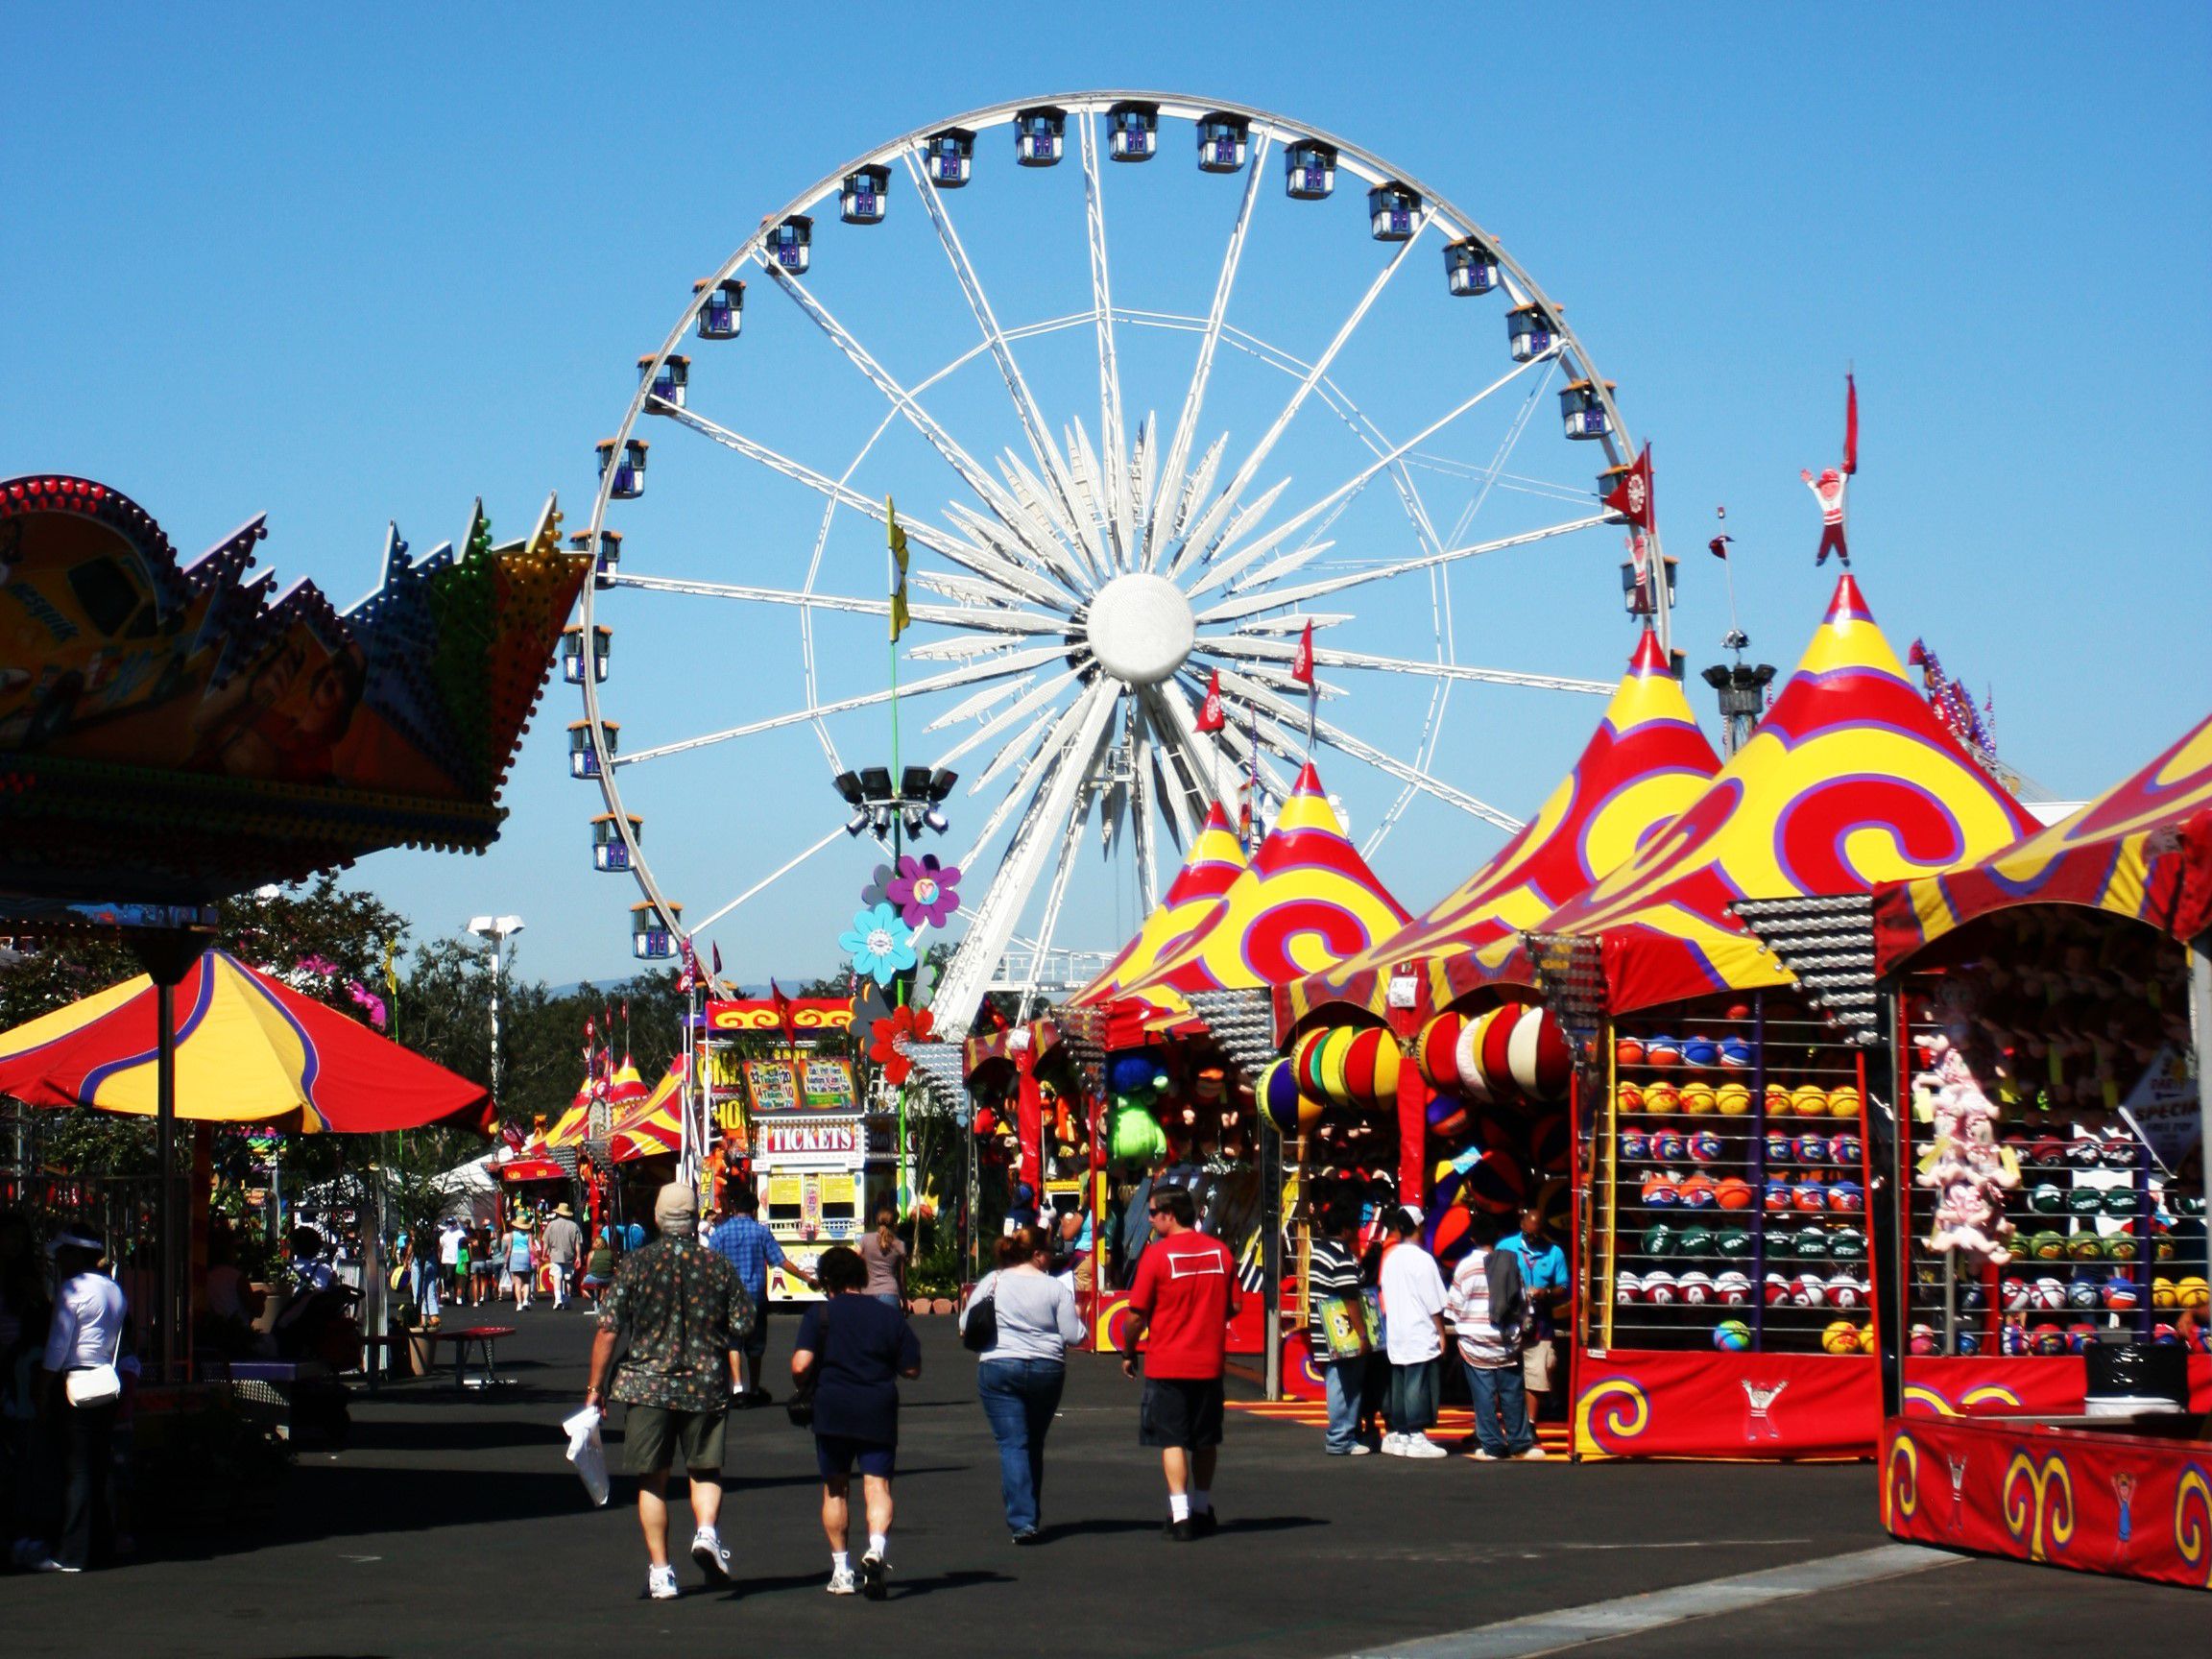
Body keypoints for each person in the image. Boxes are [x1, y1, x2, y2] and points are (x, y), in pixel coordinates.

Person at [584, 1182, 755, 1600]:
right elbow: (744, 1322)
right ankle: (707, 1532)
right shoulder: (716, 1265)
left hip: (647, 1385)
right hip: (704, 1383)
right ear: (694, 1219)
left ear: (657, 1219)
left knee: (653, 1479)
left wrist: (595, 1388)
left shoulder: (636, 1265)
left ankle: (661, 1572)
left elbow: (608, 1329)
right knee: (705, 1470)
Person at [792, 1244, 921, 1598]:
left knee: (836, 1488)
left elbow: (800, 1365)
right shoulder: (887, 1315)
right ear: (861, 1277)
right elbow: (912, 1368)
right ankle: (876, 1549)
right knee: (877, 1485)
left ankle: (841, 1571)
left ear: (826, 1281)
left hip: (832, 1407)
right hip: (877, 1406)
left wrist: (805, 1382)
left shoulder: (820, 1315)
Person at [1119, 1185, 1238, 1541]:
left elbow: (1135, 1316)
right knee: (1205, 1439)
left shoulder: (1157, 1255)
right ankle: (1201, 1507)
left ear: (1169, 1215)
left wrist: (1129, 1351)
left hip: (1167, 1363)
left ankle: (1181, 1514)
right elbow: (1234, 1305)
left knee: (1172, 1440)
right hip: (1208, 1362)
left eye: (1153, 1213)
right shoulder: (1220, 1252)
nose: (1150, 1219)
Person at [962, 1226, 1085, 1543]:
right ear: (1038, 1255)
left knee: (1013, 1443)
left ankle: (1023, 1520)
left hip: (999, 1364)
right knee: (1033, 1441)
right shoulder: (1055, 1288)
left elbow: (965, 1324)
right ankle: (1029, 1513)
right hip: (1046, 1368)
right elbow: (1074, 1335)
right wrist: (1079, 1315)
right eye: (1050, 1253)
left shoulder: (993, 1280)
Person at [32, 1227, 128, 1573]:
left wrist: (43, 1386)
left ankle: (72, 1553)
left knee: (78, 1470)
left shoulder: (72, 1290)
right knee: (100, 1465)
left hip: (75, 1381)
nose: (59, 1260)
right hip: (106, 1380)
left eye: (64, 1253)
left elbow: (58, 1345)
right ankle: (102, 1545)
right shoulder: (114, 1289)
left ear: (76, 1255)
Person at [708, 1184, 816, 1404]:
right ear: (755, 1210)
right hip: (755, 1295)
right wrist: (807, 1278)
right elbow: (781, 1261)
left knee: (733, 1343)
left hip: (729, 1296)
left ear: (735, 1209)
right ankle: (755, 1389)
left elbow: (709, 1264)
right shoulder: (761, 1232)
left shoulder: (720, 1233)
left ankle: (738, 1388)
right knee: (755, 1344)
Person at [1446, 1211, 1541, 1460]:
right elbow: (1523, 1304)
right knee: (1512, 1393)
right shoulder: (1510, 1263)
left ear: (1472, 1239)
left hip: (1475, 1344)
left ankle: (1492, 1445)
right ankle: (1520, 1442)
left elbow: (1454, 1308)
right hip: (1506, 1343)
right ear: (1497, 1236)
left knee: (1484, 1396)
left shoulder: (1464, 1267)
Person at [1377, 1208, 1449, 1458]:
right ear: (1419, 1227)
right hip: (1419, 1330)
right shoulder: (1423, 1259)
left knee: (1399, 1382)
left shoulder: (1391, 1258)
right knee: (1419, 1383)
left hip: (1396, 1330)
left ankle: (1401, 1434)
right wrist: (1441, 1332)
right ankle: (1417, 1435)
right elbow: (1435, 1302)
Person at [1305, 1200, 1372, 1455]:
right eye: (1355, 1227)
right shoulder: (1341, 1255)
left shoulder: (1320, 1251)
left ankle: (1343, 1436)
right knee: (1344, 1383)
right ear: (1345, 1229)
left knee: (1338, 1380)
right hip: (1342, 1332)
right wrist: (1362, 1334)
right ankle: (1340, 1438)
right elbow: (1350, 1297)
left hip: (1322, 1329)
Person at [1495, 1205, 1570, 1425]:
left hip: (1540, 1322)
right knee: (1501, 1370)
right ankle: (1499, 1419)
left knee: (1537, 1373)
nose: (1533, 1239)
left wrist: (1546, 1292)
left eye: (1537, 1235)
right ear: (1521, 1226)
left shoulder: (1554, 1252)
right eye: (1529, 1234)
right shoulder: (1505, 1247)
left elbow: (1564, 1286)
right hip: (1509, 1319)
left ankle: (1530, 1423)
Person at [857, 1208, 906, 1308]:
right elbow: (901, 1279)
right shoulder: (900, 1245)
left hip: (868, 1293)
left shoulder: (865, 1239)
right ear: (894, 1224)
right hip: (890, 1294)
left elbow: (852, 1259)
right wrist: (905, 1303)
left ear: (877, 1222)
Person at [542, 1203, 585, 1310]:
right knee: (568, 1278)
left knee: (557, 1276)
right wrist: (578, 1257)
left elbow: (546, 1242)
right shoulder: (574, 1226)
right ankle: (567, 1299)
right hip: (569, 1255)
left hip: (555, 1255)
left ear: (558, 1213)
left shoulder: (551, 1225)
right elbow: (577, 1244)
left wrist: (544, 1254)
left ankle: (558, 1300)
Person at [504, 1215, 535, 1311]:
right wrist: (537, 1257)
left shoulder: (512, 1234)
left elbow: (509, 1249)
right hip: (525, 1257)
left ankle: (519, 1304)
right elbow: (531, 1248)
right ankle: (525, 1300)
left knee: (517, 1282)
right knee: (526, 1281)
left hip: (515, 1257)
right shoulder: (529, 1235)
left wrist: (506, 1261)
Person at [581, 1229, 615, 1309]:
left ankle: (594, 1299)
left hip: (594, 1277)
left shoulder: (591, 1253)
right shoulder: (611, 1253)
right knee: (606, 1284)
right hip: (608, 1277)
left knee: (583, 1286)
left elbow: (588, 1269)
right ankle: (602, 1298)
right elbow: (614, 1265)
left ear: (597, 1244)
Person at [437, 1219, 465, 1302]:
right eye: (449, 1223)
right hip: (447, 1260)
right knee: (448, 1278)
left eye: (452, 1223)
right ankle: (447, 1294)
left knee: (457, 1279)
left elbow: (464, 1243)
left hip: (457, 1259)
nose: (451, 1225)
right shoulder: (445, 1234)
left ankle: (457, 1297)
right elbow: (441, 1245)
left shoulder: (460, 1233)